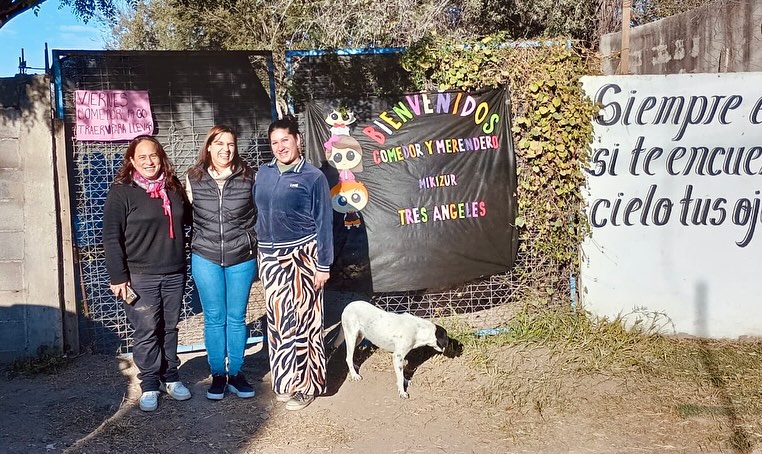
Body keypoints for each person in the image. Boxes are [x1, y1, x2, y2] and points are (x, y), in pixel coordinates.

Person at [103, 135, 192, 412]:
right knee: (146, 330)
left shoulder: (173, 188)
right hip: (140, 275)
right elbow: (110, 237)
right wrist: (118, 276)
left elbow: (189, 219)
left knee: (170, 327)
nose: (148, 161)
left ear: (161, 156)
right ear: (131, 161)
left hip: (174, 271)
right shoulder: (121, 192)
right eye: (141, 157)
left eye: (153, 155)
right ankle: (150, 382)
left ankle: (171, 377)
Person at [254, 115, 334, 411]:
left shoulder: (313, 177)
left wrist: (323, 265)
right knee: (278, 321)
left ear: (298, 140)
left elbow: (324, 223)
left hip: (304, 256)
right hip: (271, 257)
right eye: (274, 142)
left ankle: (309, 385)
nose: (279, 147)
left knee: (307, 321)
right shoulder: (264, 173)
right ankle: (286, 381)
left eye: (284, 140)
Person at [186, 125, 257, 400]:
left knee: (236, 317)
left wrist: (253, 239)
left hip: (241, 257)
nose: (225, 149)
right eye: (219, 144)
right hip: (206, 256)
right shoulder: (193, 178)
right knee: (214, 318)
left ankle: (236, 373)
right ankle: (217, 374)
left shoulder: (249, 177)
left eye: (230, 144)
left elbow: (260, 214)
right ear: (209, 146)